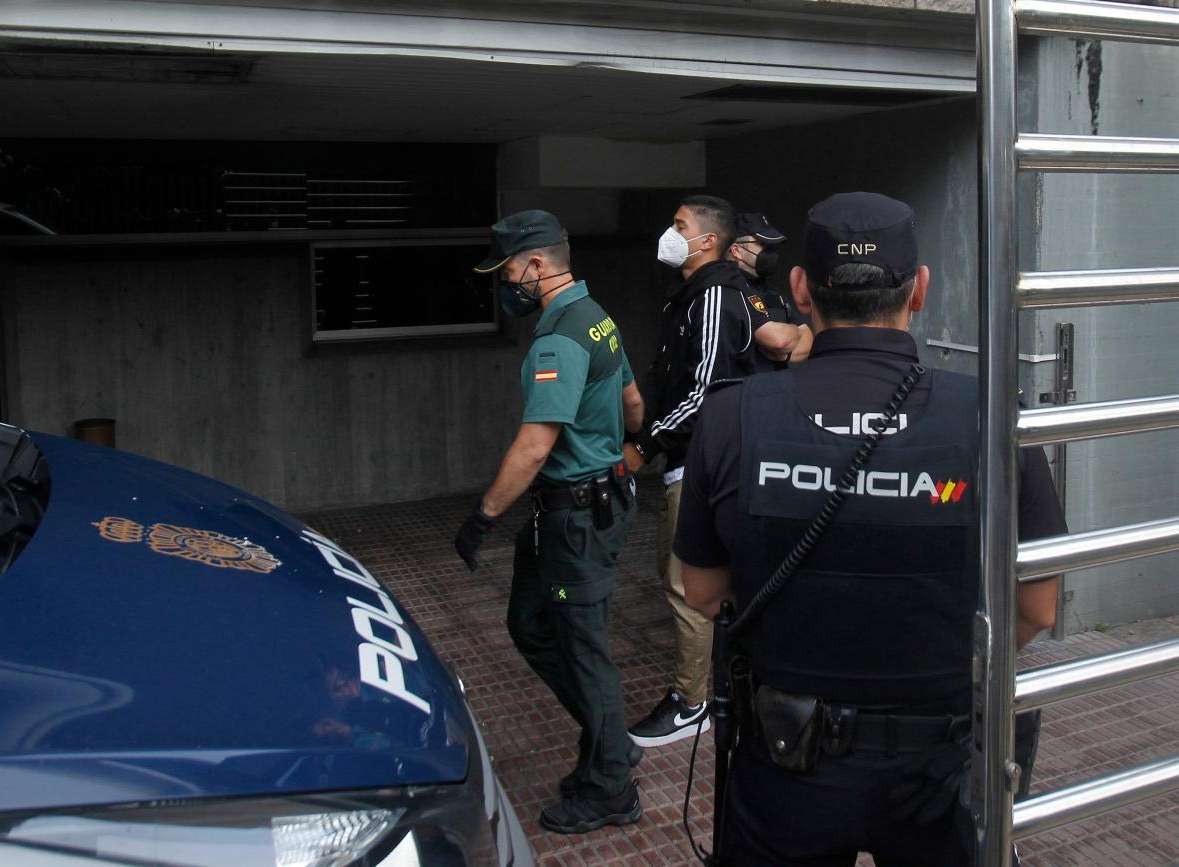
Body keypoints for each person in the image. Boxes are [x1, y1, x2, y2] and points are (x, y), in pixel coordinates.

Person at [675, 192, 1066, 866]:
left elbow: (704, 592)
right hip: (939, 769)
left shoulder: (731, 416)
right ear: (919, 289)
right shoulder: (996, 416)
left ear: (799, 289)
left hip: (784, 765)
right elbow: (1036, 605)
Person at [453, 209, 646, 834]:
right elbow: (634, 405)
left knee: (583, 651)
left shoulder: (560, 335)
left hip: (578, 518)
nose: (505, 283)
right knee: (530, 621)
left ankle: (611, 788)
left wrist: (482, 517)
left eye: (508, 270)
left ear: (537, 265)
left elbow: (536, 445)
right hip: (586, 507)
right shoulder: (600, 319)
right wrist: (611, 439)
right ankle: (610, 737)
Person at [623, 194, 804, 749]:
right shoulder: (696, 293)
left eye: (679, 225)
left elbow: (701, 391)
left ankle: (691, 702)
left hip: (703, 461)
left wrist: (642, 448)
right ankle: (729, 686)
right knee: (714, 583)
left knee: (685, 585)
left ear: (706, 241)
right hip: (703, 459)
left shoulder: (717, 295)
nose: (669, 233)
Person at [726, 211, 814, 369]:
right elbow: (778, 341)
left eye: (770, 246)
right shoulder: (729, 287)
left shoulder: (770, 289)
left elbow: (808, 340)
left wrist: (784, 355)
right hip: (744, 389)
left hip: (775, 387)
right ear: (736, 250)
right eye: (762, 245)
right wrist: (794, 334)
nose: (770, 252)